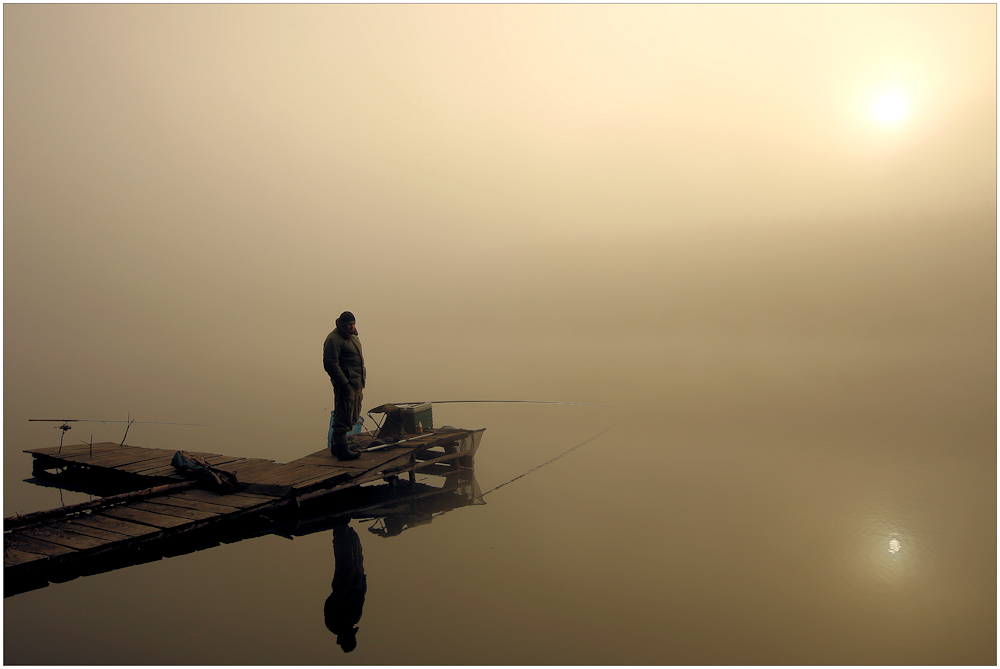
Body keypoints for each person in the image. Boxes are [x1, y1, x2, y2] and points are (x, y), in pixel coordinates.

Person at [323, 311, 366, 461]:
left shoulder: (353, 337)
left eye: (353, 324)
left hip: (356, 382)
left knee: (353, 415)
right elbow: (330, 364)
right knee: (343, 414)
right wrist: (344, 383)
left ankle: (337, 446)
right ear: (342, 324)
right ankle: (342, 451)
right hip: (345, 384)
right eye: (349, 324)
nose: (352, 326)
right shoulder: (333, 339)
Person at [324, 520, 367, 653]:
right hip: (356, 579)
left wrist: (343, 591)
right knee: (355, 549)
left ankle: (340, 528)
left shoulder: (333, 624)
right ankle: (347, 530)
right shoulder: (355, 618)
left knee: (344, 556)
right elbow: (361, 597)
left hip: (343, 582)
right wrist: (361, 579)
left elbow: (330, 603)